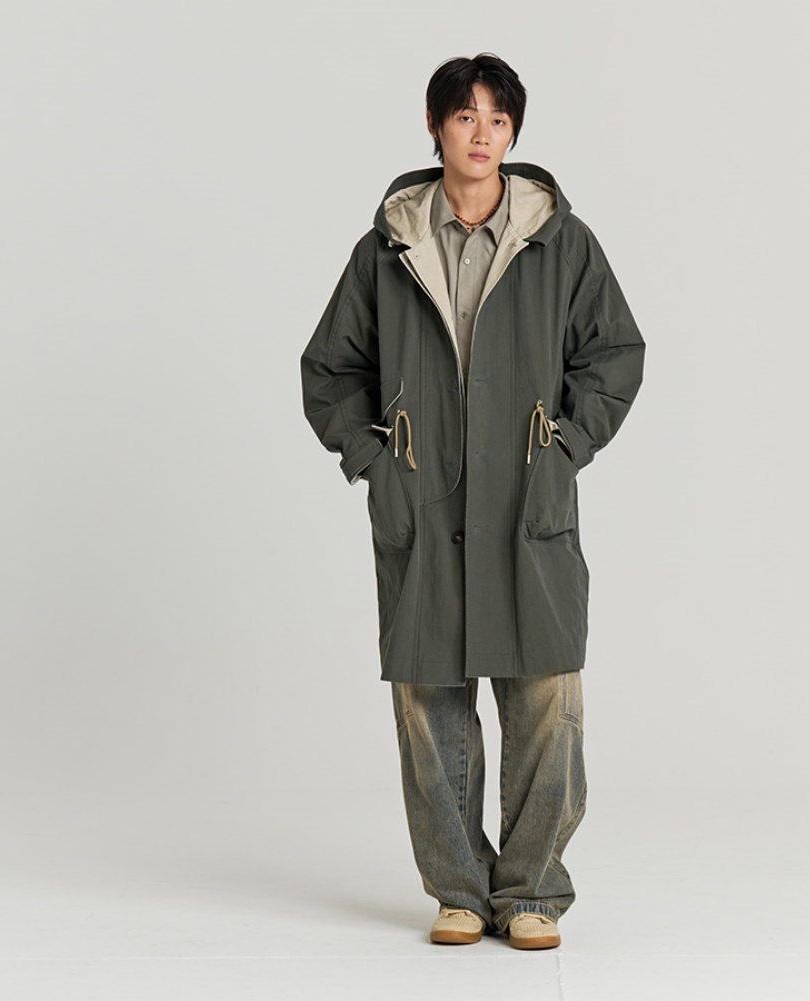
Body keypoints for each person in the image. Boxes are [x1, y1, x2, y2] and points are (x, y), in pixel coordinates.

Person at [300, 53, 645, 950]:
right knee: (430, 704)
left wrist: (566, 447)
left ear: (514, 131)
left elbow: (614, 353)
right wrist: (375, 460)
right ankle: (457, 890)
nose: (481, 133)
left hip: (527, 502)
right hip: (422, 504)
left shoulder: (560, 241)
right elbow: (329, 368)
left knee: (546, 700)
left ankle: (530, 890)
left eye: (497, 118)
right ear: (435, 127)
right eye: (464, 116)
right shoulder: (386, 249)